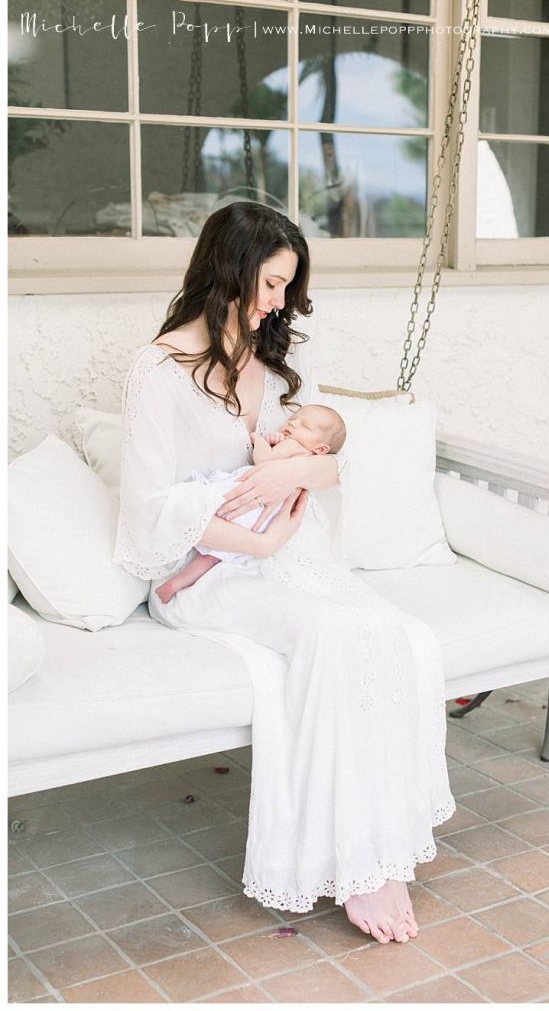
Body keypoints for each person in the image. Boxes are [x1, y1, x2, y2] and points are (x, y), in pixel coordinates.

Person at [113, 201, 455, 945]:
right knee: (335, 633)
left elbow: (326, 459)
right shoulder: (159, 369)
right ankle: (360, 867)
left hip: (287, 551)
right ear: (228, 270)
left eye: (286, 289)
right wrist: (257, 539)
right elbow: (147, 510)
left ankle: (382, 850)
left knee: (396, 634)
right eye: (269, 285)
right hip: (206, 573)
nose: (277, 304)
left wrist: (293, 476)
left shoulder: (274, 364)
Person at [154, 404, 346, 604]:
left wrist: (260, 441)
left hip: (252, 501)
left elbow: (264, 460)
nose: (293, 422)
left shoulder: (294, 447)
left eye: (305, 426)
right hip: (264, 517)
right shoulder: (309, 463)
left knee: (202, 510)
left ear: (321, 449)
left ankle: (175, 549)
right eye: (294, 419)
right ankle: (175, 585)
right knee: (218, 555)